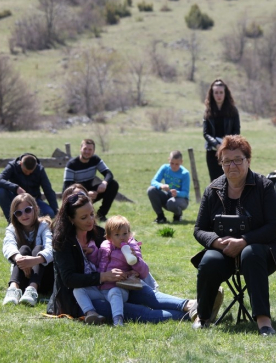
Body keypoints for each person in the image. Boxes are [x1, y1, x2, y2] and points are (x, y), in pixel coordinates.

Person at [192, 135, 276, 336]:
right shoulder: (212, 190)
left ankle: (264, 322)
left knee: (250, 254)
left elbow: (273, 225)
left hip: (262, 253)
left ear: (248, 161)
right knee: (209, 259)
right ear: (220, 164)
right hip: (224, 252)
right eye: (226, 161)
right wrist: (216, 242)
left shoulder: (264, 186)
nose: (232, 165)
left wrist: (244, 241)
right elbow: (199, 229)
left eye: (238, 159)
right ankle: (202, 317)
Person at [47, 192, 196, 323]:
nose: (90, 220)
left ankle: (191, 305)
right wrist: (103, 276)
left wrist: (133, 267)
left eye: (92, 214)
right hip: (81, 300)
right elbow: (69, 279)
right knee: (139, 313)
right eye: (84, 217)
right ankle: (193, 315)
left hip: (115, 287)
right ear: (71, 219)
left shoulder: (97, 233)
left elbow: (126, 243)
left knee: (147, 295)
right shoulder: (62, 242)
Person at [72, 215, 150, 326]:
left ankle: (118, 320)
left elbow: (144, 272)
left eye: (125, 233)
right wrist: (92, 252)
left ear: (130, 233)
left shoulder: (132, 248)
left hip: (119, 289)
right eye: (117, 235)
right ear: (109, 237)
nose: (122, 238)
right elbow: (98, 262)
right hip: (100, 288)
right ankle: (91, 313)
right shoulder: (104, 246)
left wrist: (136, 260)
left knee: (115, 292)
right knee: (78, 290)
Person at [2, 194, 53, 306]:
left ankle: (32, 290)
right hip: (23, 277)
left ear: (36, 209)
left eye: (27, 210)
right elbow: (8, 245)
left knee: (39, 248)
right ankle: (13, 289)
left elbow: (51, 248)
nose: (24, 215)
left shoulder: (44, 226)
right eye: (19, 213)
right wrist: (19, 259)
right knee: (23, 249)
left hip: (43, 279)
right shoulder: (12, 229)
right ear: (14, 216)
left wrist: (35, 260)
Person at [62, 139, 119, 222]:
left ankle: (101, 215)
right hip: (75, 196)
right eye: (85, 149)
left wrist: (104, 183)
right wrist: (84, 194)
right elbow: (66, 188)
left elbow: (108, 173)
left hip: (92, 192)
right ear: (80, 149)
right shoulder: (71, 165)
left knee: (113, 184)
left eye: (90, 150)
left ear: (93, 151)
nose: (87, 152)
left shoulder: (95, 160)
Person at [0, 153, 59, 222]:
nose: (28, 173)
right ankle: (12, 221)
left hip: (33, 201)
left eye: (31, 172)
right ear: (21, 164)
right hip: (16, 199)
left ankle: (33, 225)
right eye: (26, 171)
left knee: (50, 213)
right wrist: (16, 188)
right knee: (1, 191)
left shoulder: (39, 169)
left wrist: (56, 211)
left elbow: (48, 190)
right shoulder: (13, 166)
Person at [203, 79, 241, 181]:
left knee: (230, 180)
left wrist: (225, 145)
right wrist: (217, 145)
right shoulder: (208, 110)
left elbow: (236, 131)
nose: (218, 95)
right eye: (216, 92)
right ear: (212, 94)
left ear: (225, 93)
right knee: (215, 181)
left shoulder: (233, 110)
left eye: (221, 92)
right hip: (212, 152)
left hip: (229, 151)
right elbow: (206, 133)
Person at [147, 150, 190, 223]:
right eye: (172, 163)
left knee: (171, 202)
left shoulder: (185, 173)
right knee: (151, 190)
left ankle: (178, 215)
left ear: (181, 162)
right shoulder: (164, 168)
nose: (174, 166)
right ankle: (160, 217)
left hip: (181, 199)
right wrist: (161, 186)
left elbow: (185, 192)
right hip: (168, 195)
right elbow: (153, 181)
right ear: (168, 160)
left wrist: (177, 193)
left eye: (177, 164)